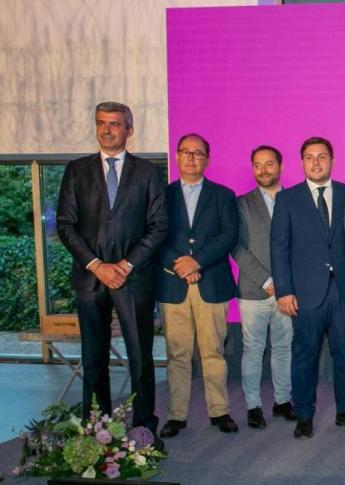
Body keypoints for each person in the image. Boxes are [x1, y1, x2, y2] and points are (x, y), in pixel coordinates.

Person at [56, 101, 167, 438]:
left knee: (139, 358)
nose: (107, 129)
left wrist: (125, 264)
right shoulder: (77, 170)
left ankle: (144, 428)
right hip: (90, 280)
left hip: (134, 280)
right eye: (101, 123)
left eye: (115, 124)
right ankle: (97, 427)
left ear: (128, 129)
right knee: (93, 359)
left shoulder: (148, 173)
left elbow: (159, 226)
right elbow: (65, 225)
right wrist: (97, 266)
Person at [271, 137, 345, 440]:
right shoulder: (287, 199)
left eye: (322, 157)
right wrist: (284, 290)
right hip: (305, 293)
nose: (316, 163)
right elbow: (278, 248)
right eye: (310, 157)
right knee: (304, 356)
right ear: (302, 162)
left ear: (332, 160)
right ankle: (304, 415)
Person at [157, 133, 240, 438]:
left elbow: (228, 235)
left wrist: (197, 262)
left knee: (213, 352)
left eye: (198, 153)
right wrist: (180, 265)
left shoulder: (223, 195)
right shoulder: (161, 196)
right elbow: (155, 236)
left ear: (207, 159)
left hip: (211, 282)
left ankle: (220, 412)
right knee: (177, 354)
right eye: (186, 152)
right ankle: (176, 415)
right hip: (172, 285)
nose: (191, 158)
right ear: (177, 157)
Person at [234, 145, 295, 429]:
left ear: (280, 166)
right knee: (253, 349)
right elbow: (237, 248)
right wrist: (267, 280)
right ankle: (253, 405)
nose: (263, 170)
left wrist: (284, 283)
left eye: (269, 164)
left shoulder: (296, 200)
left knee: (283, 348)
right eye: (257, 165)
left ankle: (283, 401)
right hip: (253, 291)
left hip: (288, 292)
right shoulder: (240, 203)